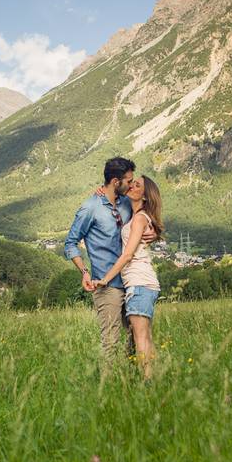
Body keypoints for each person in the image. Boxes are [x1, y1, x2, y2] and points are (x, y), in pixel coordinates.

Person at [64, 157, 155, 365]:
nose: (132, 184)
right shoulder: (90, 208)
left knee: (138, 335)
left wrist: (154, 231)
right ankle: (108, 388)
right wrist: (84, 272)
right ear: (116, 182)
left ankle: (131, 382)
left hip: (132, 283)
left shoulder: (126, 202)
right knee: (111, 341)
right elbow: (70, 243)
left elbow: (148, 212)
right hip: (107, 285)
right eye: (128, 181)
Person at [95, 175, 164, 379]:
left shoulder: (140, 218)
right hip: (143, 283)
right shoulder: (138, 216)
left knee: (140, 337)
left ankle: (147, 383)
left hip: (138, 283)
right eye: (132, 183)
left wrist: (105, 279)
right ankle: (152, 380)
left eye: (138, 185)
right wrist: (101, 190)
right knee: (145, 337)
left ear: (145, 195)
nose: (133, 185)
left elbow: (127, 255)